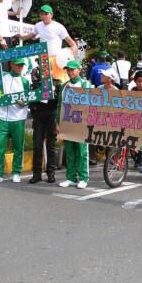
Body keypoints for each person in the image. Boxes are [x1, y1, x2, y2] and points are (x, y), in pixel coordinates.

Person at [0, 56, 30, 184]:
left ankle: (16, 172)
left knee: (18, 146)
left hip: (18, 118)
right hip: (2, 117)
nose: (20, 67)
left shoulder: (25, 81)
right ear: (11, 65)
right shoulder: (1, 76)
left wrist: (24, 103)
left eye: (22, 65)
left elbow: (28, 98)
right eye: (17, 65)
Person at [57, 60, 91, 188]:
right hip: (67, 123)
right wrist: (57, 122)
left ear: (79, 70)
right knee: (70, 151)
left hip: (82, 124)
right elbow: (60, 105)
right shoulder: (64, 86)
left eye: (72, 69)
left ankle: (83, 178)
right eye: (68, 70)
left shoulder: (86, 84)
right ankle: (70, 177)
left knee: (82, 152)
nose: (70, 72)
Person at [28, 67, 59, 184]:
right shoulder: (35, 85)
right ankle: (37, 174)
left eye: (48, 70)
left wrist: (54, 92)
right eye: (42, 71)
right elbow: (31, 101)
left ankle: (51, 173)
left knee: (51, 145)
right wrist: (34, 112)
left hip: (52, 116)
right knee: (37, 146)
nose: (45, 73)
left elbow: (59, 101)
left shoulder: (57, 83)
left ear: (51, 72)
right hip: (39, 117)